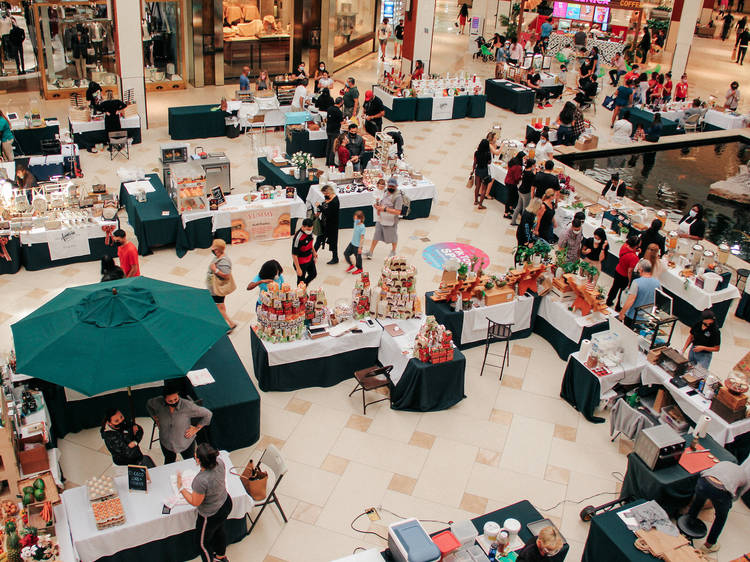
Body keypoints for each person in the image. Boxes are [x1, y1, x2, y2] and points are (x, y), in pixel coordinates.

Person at [177, 443, 232, 562]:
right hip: (226, 503)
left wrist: (181, 488)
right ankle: (221, 556)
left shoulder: (201, 480)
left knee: (202, 544)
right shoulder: (220, 462)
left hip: (211, 514)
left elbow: (195, 502)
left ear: (198, 460)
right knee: (219, 529)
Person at [684, 458, 750, 554]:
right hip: (721, 491)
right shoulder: (745, 478)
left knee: (698, 503)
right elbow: (736, 496)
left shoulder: (726, 462)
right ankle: (709, 544)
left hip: (704, 481)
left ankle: (686, 528)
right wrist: (726, 505)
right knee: (720, 518)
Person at [147, 382, 213, 464]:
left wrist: (196, 428)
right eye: (170, 401)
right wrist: (155, 418)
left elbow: (208, 414)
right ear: (164, 399)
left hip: (185, 443)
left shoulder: (187, 406)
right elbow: (149, 404)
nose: (173, 402)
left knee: (189, 463)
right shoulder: (157, 402)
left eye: (175, 399)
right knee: (169, 462)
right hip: (166, 442)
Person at [365, 177, 403, 259]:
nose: (390, 188)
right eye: (389, 186)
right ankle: (370, 252)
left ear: (396, 186)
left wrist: (385, 209)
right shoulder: (386, 192)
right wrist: (378, 208)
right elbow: (382, 202)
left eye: (393, 187)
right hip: (381, 218)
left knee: (392, 237)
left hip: (391, 220)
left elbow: (398, 211)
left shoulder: (398, 197)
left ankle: (393, 251)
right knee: (376, 234)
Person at [619, 260, 661, 327]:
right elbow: (659, 300)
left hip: (632, 316)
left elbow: (631, 300)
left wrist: (622, 313)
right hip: (646, 316)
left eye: (638, 269)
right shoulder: (657, 283)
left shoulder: (637, 282)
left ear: (641, 270)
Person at [206, 239, 236, 331]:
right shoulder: (218, 257)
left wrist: (215, 270)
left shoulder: (224, 261)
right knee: (220, 306)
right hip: (214, 288)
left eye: (214, 248)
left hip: (217, 289)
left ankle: (230, 324)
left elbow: (226, 275)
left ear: (218, 250)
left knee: (219, 307)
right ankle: (228, 322)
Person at [606, 233, 640, 310]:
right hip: (624, 276)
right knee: (622, 291)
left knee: (614, 287)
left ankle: (609, 301)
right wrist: (630, 281)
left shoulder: (624, 246)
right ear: (636, 246)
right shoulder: (634, 258)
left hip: (618, 270)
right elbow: (630, 271)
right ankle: (618, 306)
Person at [315, 184, 340, 264]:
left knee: (333, 241)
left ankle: (335, 258)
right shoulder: (327, 198)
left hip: (332, 225)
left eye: (326, 194)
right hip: (324, 223)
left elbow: (328, 212)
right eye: (324, 194)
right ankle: (313, 254)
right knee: (319, 239)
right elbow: (324, 206)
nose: (325, 195)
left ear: (330, 192)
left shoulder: (335, 201)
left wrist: (320, 206)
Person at [292, 218, 317, 284]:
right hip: (301, 263)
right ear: (303, 226)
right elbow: (294, 254)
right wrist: (298, 268)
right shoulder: (298, 238)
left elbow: (310, 242)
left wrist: (314, 252)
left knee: (313, 274)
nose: (310, 231)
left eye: (311, 229)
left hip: (309, 258)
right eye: (308, 229)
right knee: (301, 282)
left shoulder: (310, 232)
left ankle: (303, 287)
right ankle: (301, 291)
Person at [512, 158, 536, 226]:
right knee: (525, 209)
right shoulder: (531, 174)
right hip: (526, 193)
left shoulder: (525, 171)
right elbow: (533, 182)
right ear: (532, 165)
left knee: (518, 206)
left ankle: (513, 220)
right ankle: (522, 224)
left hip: (520, 190)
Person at [344, 210, 366, 275]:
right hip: (352, 243)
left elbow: (362, 238)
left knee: (358, 258)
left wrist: (360, 248)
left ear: (361, 218)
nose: (355, 220)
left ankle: (360, 269)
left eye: (357, 219)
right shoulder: (355, 223)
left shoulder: (362, 227)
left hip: (358, 246)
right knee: (346, 253)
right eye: (355, 218)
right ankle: (351, 265)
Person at [472, 139, 492, 210]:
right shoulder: (488, 154)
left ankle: (476, 200)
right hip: (484, 171)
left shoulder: (476, 153)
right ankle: (480, 204)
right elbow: (489, 162)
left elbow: (474, 162)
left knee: (477, 186)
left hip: (478, 170)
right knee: (484, 188)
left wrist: (472, 170)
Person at [503, 152, 523, 219]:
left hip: (508, 181)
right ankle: (506, 213)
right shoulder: (518, 167)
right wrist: (522, 177)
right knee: (511, 197)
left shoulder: (512, 162)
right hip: (512, 183)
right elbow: (517, 177)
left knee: (513, 196)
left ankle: (510, 208)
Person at [325, 96, 344, 167]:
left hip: (328, 130)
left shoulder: (329, 109)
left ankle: (327, 161)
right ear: (341, 103)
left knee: (329, 145)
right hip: (335, 131)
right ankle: (331, 163)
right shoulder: (339, 112)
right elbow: (341, 122)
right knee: (334, 147)